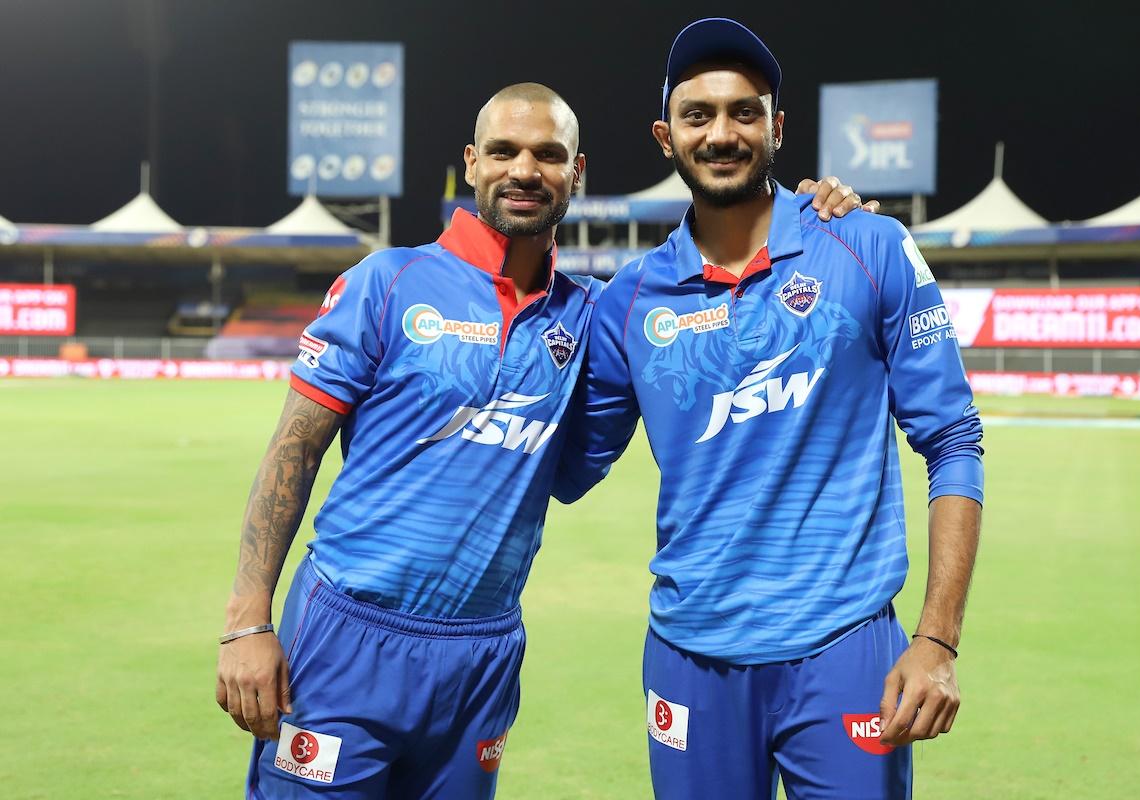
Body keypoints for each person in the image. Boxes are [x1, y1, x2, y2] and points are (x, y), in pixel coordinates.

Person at [215, 79, 868, 799]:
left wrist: (820, 218)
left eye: (548, 155)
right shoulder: (388, 282)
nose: (525, 170)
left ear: (576, 173)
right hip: (350, 634)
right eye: (504, 151)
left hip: (482, 652)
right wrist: (247, 622)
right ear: (471, 163)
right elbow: (294, 449)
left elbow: (693, 332)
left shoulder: (592, 315)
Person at [554, 18, 984, 800]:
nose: (722, 133)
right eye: (698, 115)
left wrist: (936, 638)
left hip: (845, 648)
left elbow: (954, 438)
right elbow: (567, 466)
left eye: (744, 111)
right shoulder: (631, 300)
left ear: (777, 127)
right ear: (666, 135)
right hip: (690, 656)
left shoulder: (867, 245)